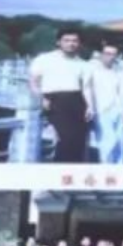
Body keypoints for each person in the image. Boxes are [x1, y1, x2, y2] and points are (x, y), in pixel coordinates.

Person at [30, 30, 91, 163]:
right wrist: (41, 98)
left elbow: (86, 88)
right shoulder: (44, 59)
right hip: (53, 101)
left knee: (78, 140)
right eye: (66, 40)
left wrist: (89, 106)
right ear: (58, 42)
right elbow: (34, 82)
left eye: (74, 41)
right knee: (64, 139)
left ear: (79, 43)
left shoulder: (83, 64)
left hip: (77, 100)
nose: (71, 44)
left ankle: (74, 169)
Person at [87, 44, 123, 165]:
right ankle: (106, 165)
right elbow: (88, 90)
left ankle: (119, 166)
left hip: (118, 109)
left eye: (114, 54)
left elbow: (122, 93)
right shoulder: (92, 71)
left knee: (120, 140)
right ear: (101, 55)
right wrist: (91, 108)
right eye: (108, 54)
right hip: (101, 110)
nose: (111, 57)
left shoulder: (119, 72)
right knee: (108, 140)